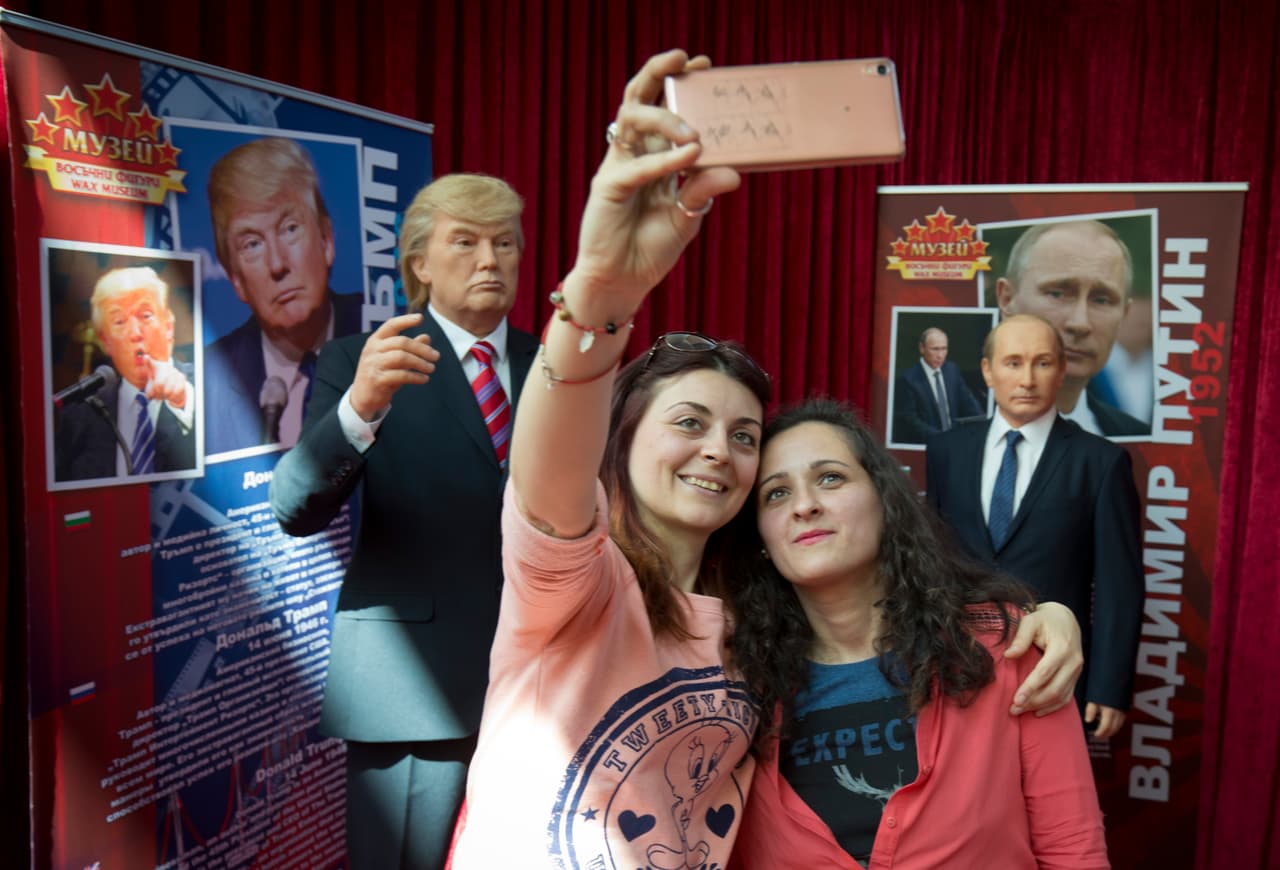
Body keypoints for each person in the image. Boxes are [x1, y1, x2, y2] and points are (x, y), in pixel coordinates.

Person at [449, 50, 1083, 869]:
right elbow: (551, 465)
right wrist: (602, 291)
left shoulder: (755, 635)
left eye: (744, 436)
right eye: (689, 422)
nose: (719, 449)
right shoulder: (574, 580)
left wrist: (1049, 618)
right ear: (622, 440)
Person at [269, 173, 538, 869]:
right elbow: (295, 508)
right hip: (412, 690)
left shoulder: (555, 367)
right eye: (467, 242)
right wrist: (359, 409)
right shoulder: (361, 362)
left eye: (504, 243)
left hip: (544, 683)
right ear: (419, 263)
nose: (490, 260)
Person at [727, 398, 1107, 868]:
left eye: (830, 478)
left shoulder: (1009, 646)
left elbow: (1073, 851)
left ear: (885, 502)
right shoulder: (736, 685)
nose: (805, 505)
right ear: (762, 539)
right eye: (776, 493)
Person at [926, 314, 1144, 739]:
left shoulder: (1100, 462)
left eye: (1042, 363)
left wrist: (1109, 686)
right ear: (988, 370)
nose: (1027, 378)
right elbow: (932, 560)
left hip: (1053, 675)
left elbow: (1120, 585)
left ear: (1062, 371)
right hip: (955, 669)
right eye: (1013, 363)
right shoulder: (946, 450)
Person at [203, 137, 364, 454]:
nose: (277, 264)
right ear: (235, 278)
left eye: (290, 228)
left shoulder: (380, 334)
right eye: (252, 244)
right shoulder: (209, 379)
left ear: (326, 240)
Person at [995, 220, 1148, 437]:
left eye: (1102, 300)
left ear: (1124, 314)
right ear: (1007, 299)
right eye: (1057, 294)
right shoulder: (945, 424)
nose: (1080, 323)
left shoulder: (1138, 439)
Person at [55, 265, 195, 481]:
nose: (135, 333)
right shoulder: (80, 415)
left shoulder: (205, 387)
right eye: (119, 322)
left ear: (169, 327)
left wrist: (182, 400)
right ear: (105, 342)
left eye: (146, 315)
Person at [891, 326, 984, 443]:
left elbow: (969, 403)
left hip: (955, 441)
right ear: (922, 348)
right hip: (929, 443)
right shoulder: (908, 380)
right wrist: (942, 438)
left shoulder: (952, 370)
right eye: (935, 349)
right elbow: (910, 421)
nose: (940, 355)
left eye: (944, 349)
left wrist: (981, 424)